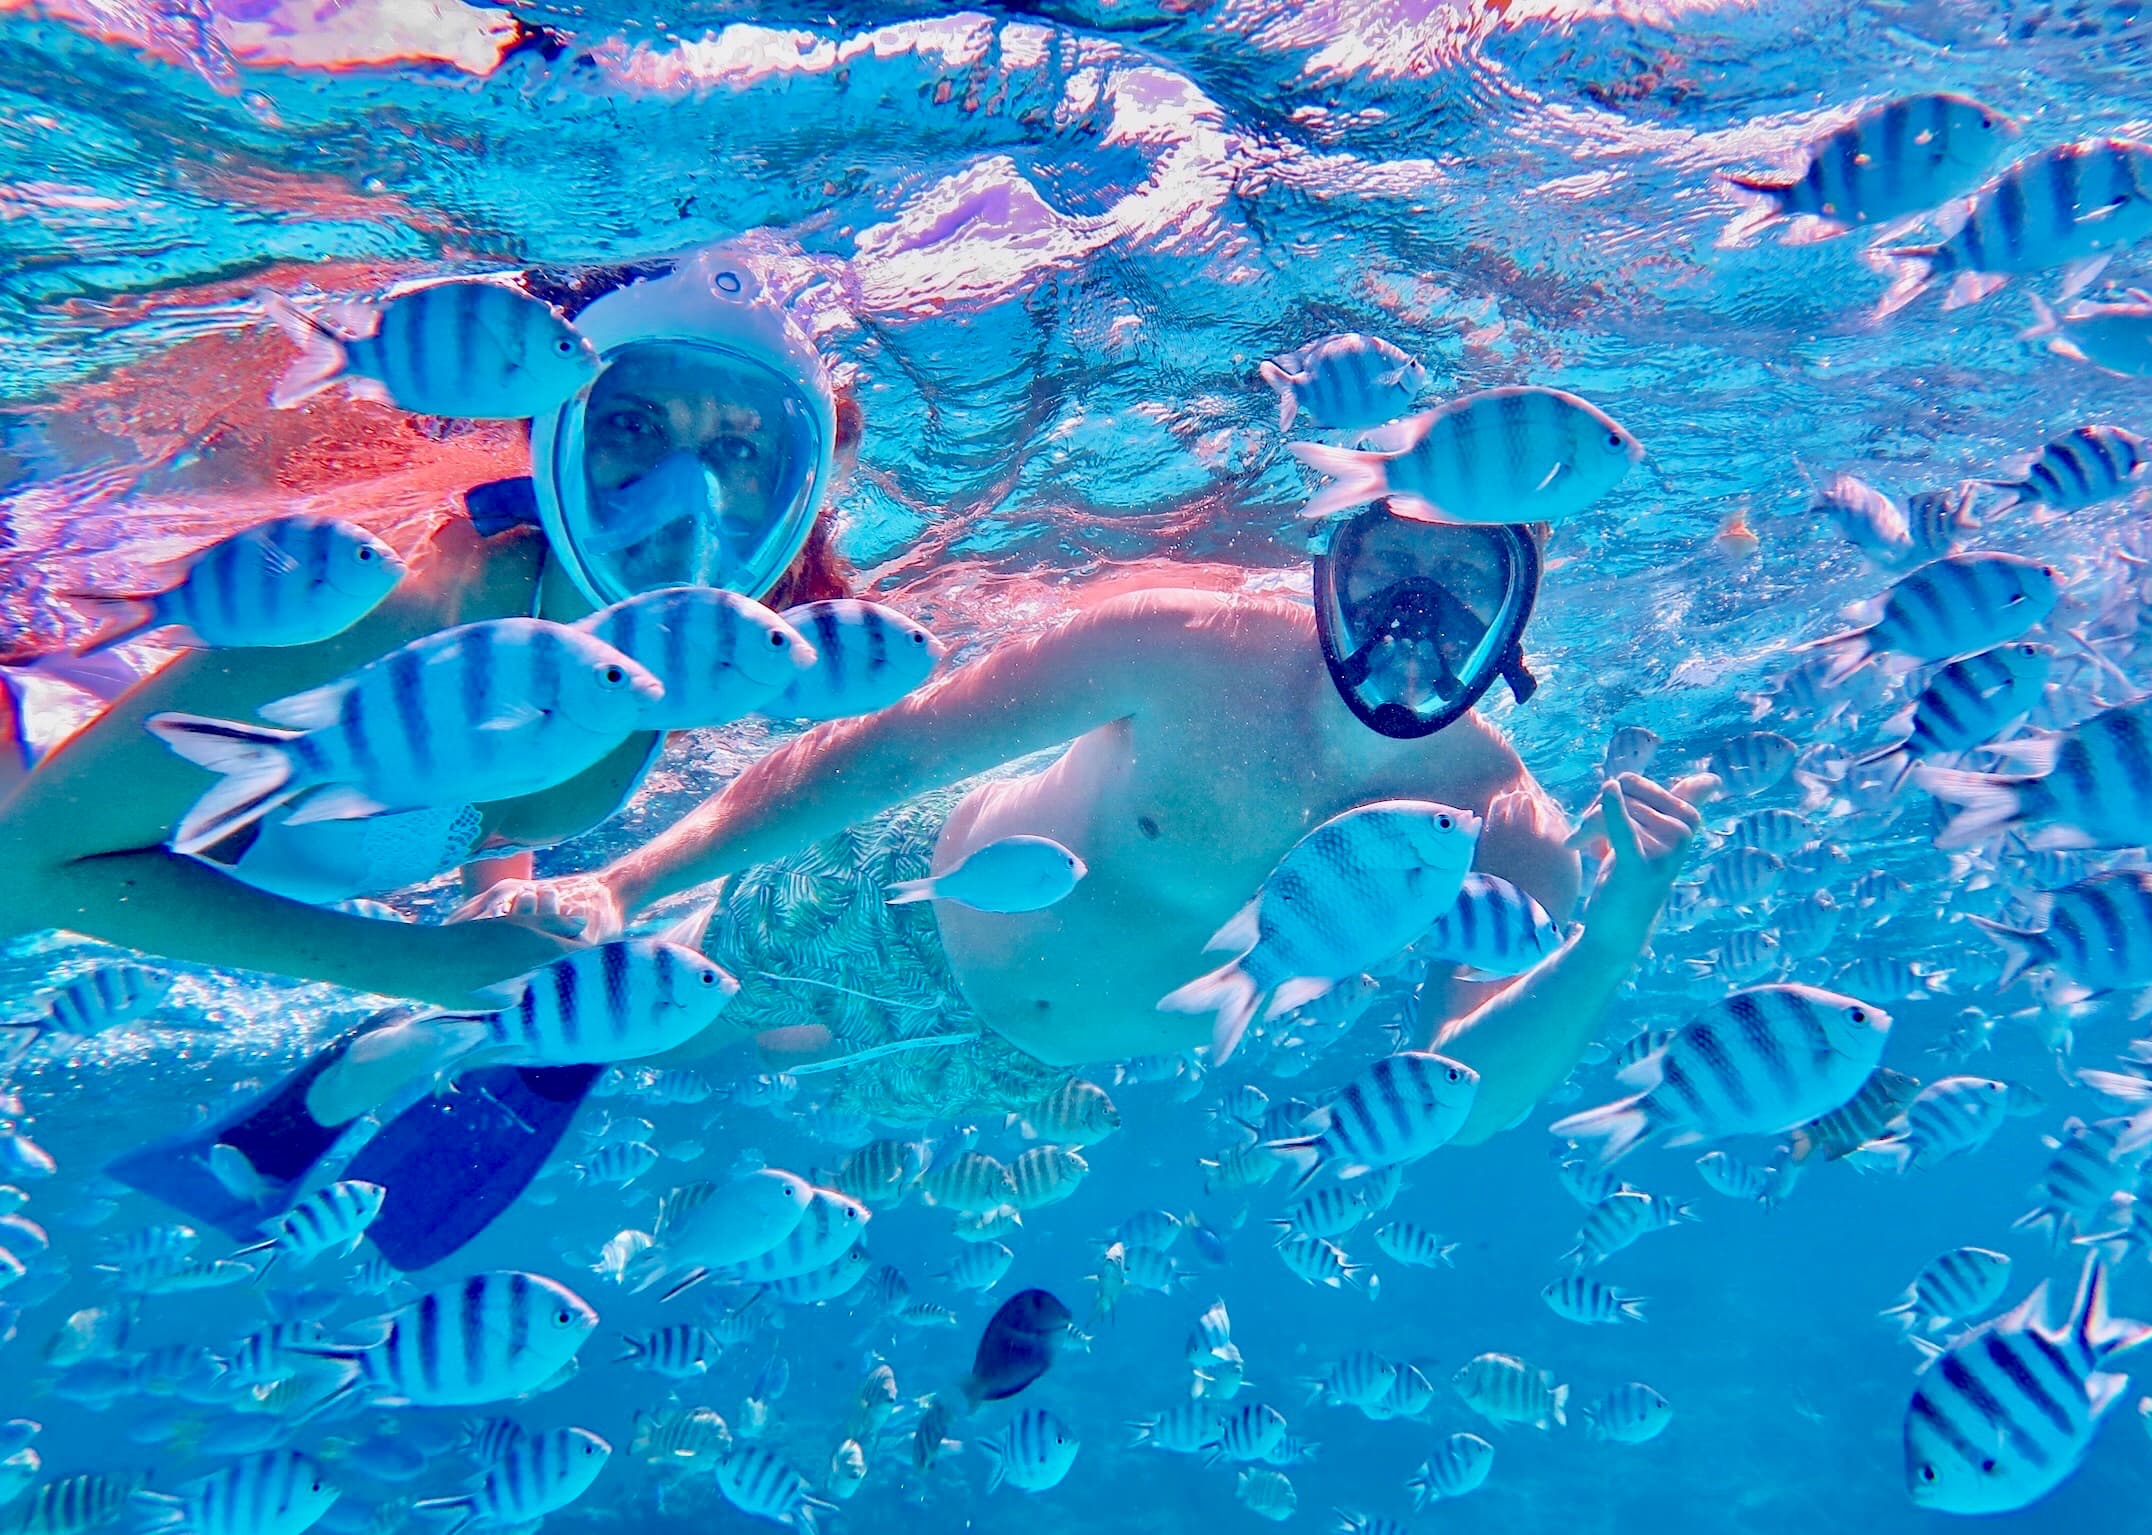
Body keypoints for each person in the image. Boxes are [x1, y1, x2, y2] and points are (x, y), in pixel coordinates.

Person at [0, 242, 870, 1254]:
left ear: (796, 492)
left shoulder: (691, 654)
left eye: (736, 453)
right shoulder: (406, 610)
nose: (682, 500)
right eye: (633, 425)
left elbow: (484, 765)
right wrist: (431, 968)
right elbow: (30, 864)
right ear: (553, 432)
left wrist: (500, 890)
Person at [458, 504, 1706, 1143]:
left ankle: (543, 1050)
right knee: (670, 1019)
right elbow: (891, 751)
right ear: (1332, 554)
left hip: (1006, 1069)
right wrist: (626, 877)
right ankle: (476, 1011)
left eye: (1465, 587)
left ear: (1519, 616)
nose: (1408, 624)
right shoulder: (1182, 645)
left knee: (748, 1067)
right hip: (886, 895)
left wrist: (1608, 943)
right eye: (1386, 569)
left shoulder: (1507, 834)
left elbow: (1468, 1104)